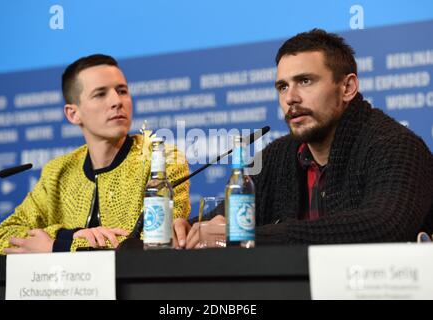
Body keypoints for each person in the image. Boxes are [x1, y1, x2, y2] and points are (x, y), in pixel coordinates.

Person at [183, 29, 433, 248]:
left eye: (304, 81)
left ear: (347, 88)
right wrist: (186, 231)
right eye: (282, 87)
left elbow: (382, 227)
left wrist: (245, 237)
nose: (291, 98)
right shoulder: (278, 156)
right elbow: (222, 221)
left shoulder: (397, 146)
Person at [0, 54, 190, 255]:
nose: (116, 101)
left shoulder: (161, 159)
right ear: (73, 114)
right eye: (100, 94)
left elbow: (158, 242)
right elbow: (1, 240)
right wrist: (69, 235)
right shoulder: (57, 172)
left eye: (122, 91)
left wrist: (59, 246)